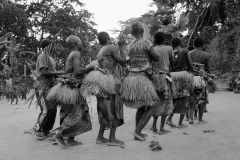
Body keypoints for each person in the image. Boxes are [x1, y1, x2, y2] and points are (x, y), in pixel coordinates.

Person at [81, 32, 126, 146]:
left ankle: (100, 137)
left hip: (102, 83)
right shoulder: (111, 48)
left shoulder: (100, 51)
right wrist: (121, 47)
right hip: (110, 84)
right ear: (108, 38)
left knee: (103, 110)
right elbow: (123, 62)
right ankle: (111, 139)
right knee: (113, 109)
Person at [120, 22, 159, 141]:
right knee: (153, 105)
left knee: (141, 106)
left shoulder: (130, 45)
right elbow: (156, 57)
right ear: (142, 31)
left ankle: (138, 133)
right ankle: (137, 131)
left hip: (132, 78)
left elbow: (127, 60)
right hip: (143, 78)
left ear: (132, 33)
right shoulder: (146, 43)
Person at [53, 35, 94, 148]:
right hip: (73, 87)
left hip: (72, 86)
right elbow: (77, 71)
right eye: (80, 41)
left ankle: (71, 140)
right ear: (76, 43)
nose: (82, 43)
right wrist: (89, 68)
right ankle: (59, 134)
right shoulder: (76, 53)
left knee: (73, 112)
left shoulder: (72, 54)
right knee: (76, 113)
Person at [33, 39, 65, 139]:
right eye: (52, 46)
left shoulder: (50, 57)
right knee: (46, 110)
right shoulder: (42, 57)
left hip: (49, 86)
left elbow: (52, 73)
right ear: (48, 47)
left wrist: (62, 77)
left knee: (53, 109)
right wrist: (61, 73)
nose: (54, 48)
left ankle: (46, 131)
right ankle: (38, 129)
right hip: (42, 86)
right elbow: (44, 72)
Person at [166, 37, 193, 128]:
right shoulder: (185, 51)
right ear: (180, 43)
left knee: (176, 98)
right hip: (183, 76)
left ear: (172, 45)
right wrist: (191, 70)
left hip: (173, 77)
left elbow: (169, 66)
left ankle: (169, 119)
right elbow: (190, 65)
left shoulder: (171, 53)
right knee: (186, 97)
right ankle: (180, 123)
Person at [150, 32, 174, 135]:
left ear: (154, 40)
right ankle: (161, 128)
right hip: (165, 78)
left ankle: (153, 126)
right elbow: (172, 64)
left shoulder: (152, 49)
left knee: (156, 102)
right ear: (164, 39)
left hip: (154, 78)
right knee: (166, 102)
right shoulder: (169, 48)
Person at [189, 37, 210, 124]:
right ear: (202, 45)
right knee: (201, 99)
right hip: (201, 79)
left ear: (194, 44)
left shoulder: (189, 53)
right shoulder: (206, 55)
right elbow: (208, 69)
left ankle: (190, 118)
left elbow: (186, 67)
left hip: (190, 78)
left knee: (191, 98)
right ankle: (200, 119)